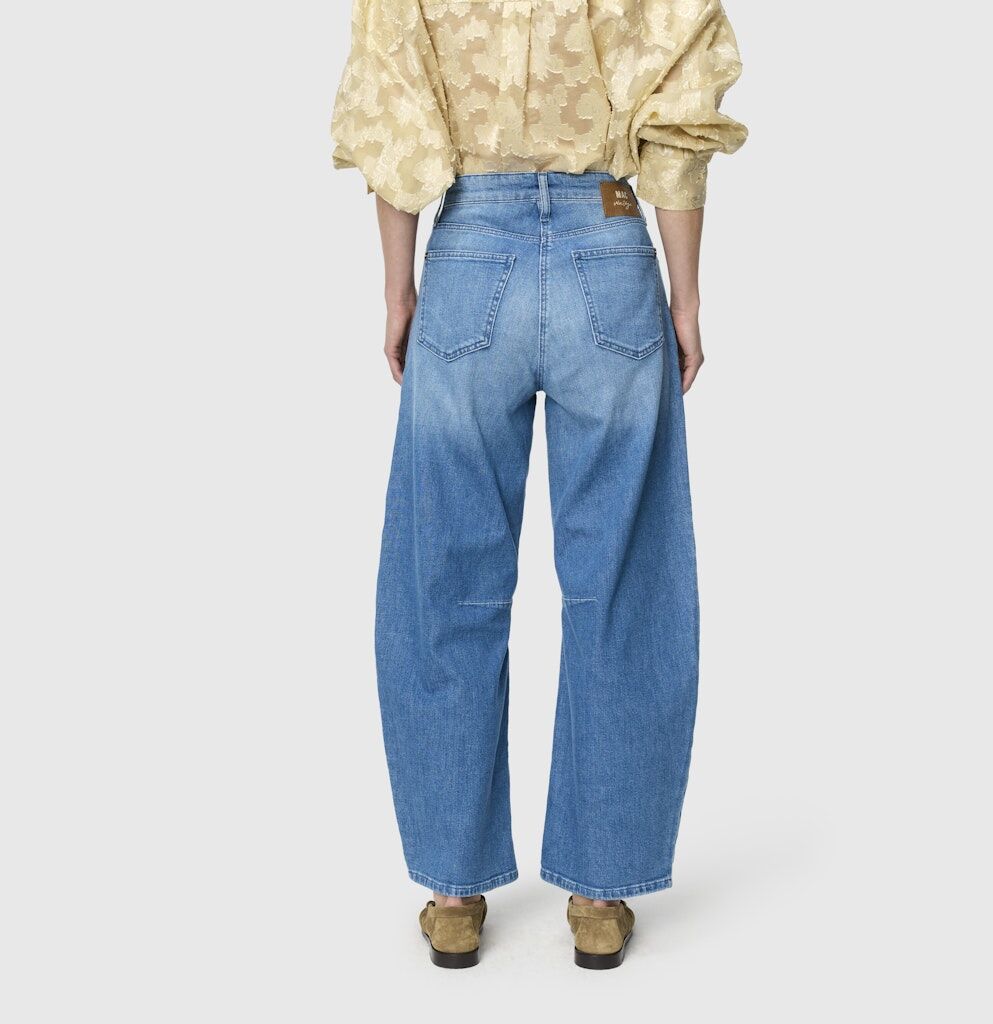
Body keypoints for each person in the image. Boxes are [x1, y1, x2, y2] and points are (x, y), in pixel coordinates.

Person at [331, 0, 747, 969]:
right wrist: (686, 295)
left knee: (443, 584)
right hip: (611, 245)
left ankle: (452, 891)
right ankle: (600, 893)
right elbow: (679, 103)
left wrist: (398, 289)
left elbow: (392, 106)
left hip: (469, 255)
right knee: (625, 584)